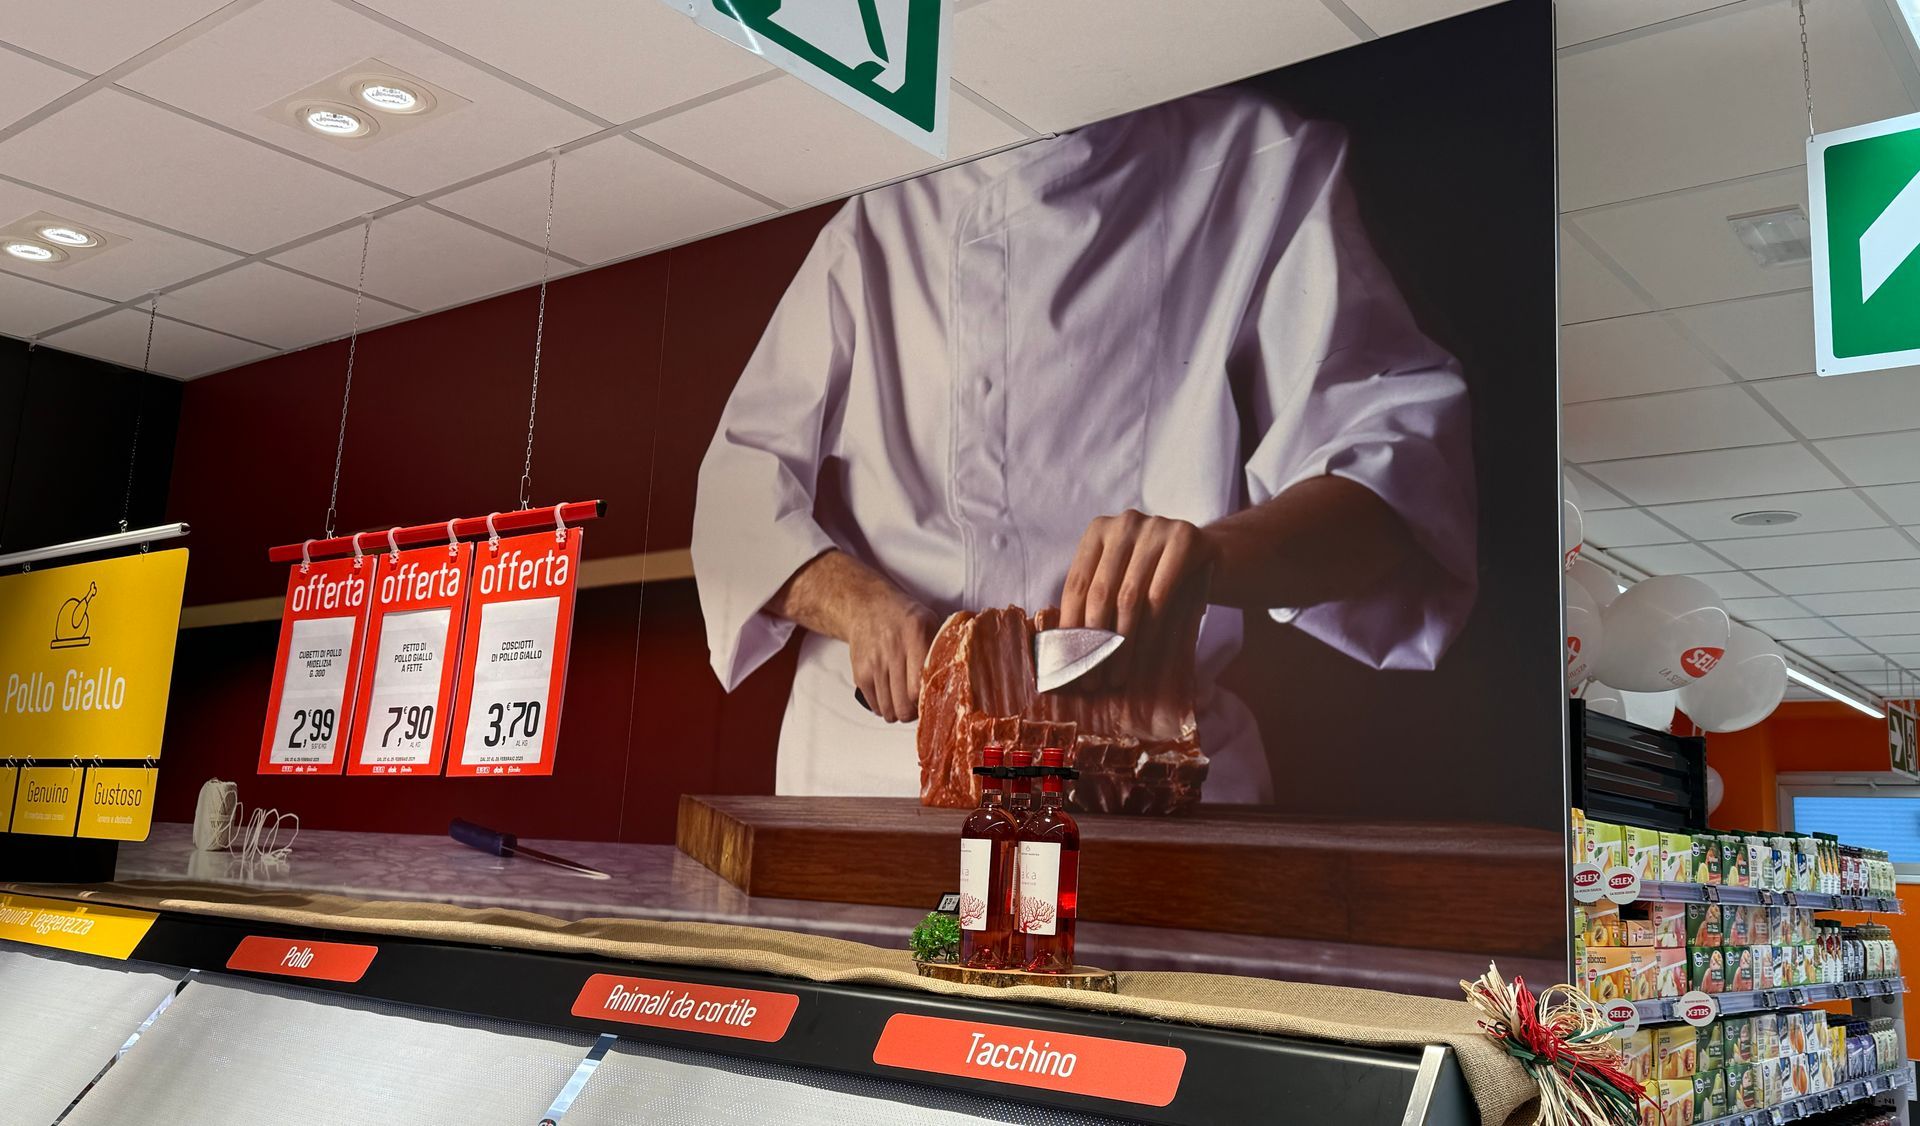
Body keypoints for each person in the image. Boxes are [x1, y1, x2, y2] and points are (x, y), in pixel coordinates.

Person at [691, 85, 1476, 801]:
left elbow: (1397, 476)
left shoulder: (1259, 163)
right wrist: (857, 605)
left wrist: (1205, 558)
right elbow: (737, 486)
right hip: (879, 771)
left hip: (1152, 772)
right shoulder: (886, 199)